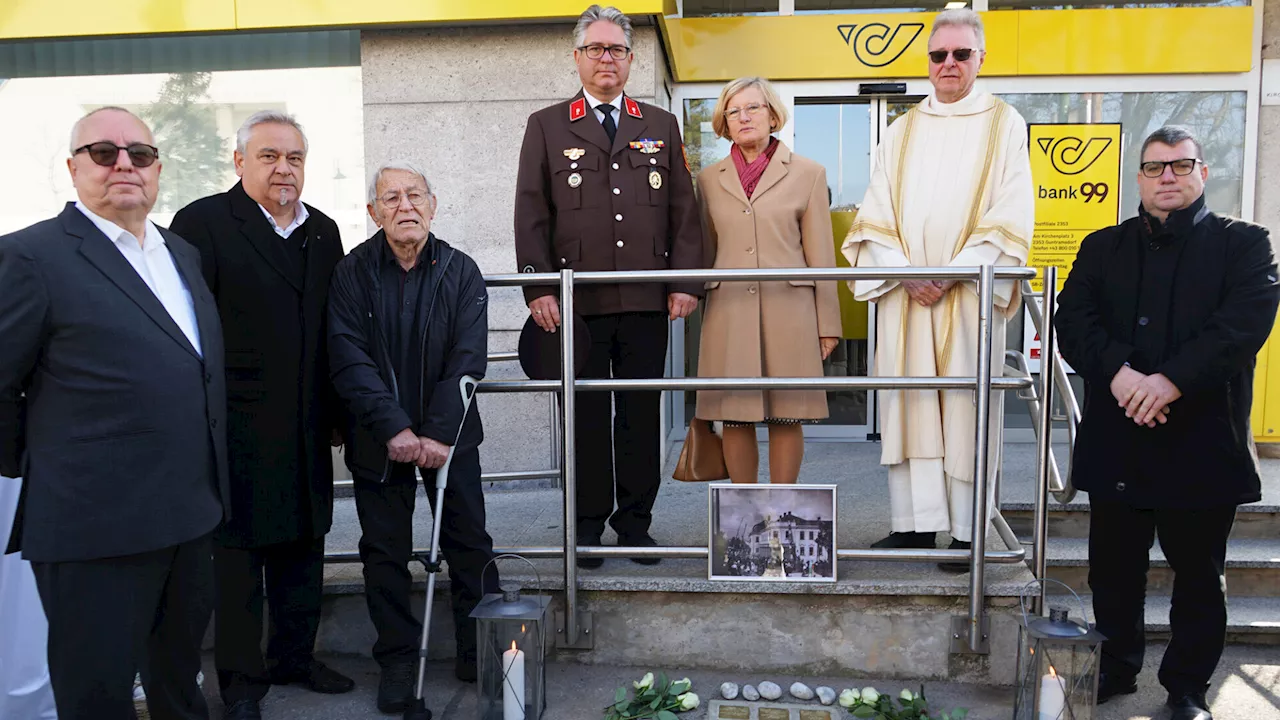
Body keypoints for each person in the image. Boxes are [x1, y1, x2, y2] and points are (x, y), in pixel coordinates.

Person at [0, 106, 230, 719]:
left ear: (158, 169)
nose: (125, 164)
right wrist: (54, 463)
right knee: (96, 696)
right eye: (104, 153)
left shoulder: (180, 252)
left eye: (141, 154)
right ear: (74, 168)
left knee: (181, 683)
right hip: (93, 529)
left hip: (188, 516)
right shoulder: (30, 257)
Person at [1055, 126, 1279, 720]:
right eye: (1155, 168)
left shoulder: (1246, 244)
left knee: (1200, 578)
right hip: (1118, 436)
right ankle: (1118, 669)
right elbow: (1072, 320)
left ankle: (1186, 688)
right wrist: (1122, 375)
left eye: (1181, 166)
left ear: (1203, 172)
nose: (1168, 177)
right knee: (1113, 572)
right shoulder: (1102, 246)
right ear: (1139, 179)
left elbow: (1242, 326)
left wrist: (1169, 381)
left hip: (1201, 440)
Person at [169, 111, 353, 720]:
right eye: (270, 156)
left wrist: (337, 412)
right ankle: (242, 684)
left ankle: (295, 657)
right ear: (239, 161)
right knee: (240, 559)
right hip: (235, 422)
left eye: (294, 158)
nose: (283, 169)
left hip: (306, 418)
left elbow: (336, 329)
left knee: (305, 543)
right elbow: (186, 327)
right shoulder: (201, 224)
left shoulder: (323, 231)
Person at [841, 8, 1033, 571]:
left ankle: (969, 532)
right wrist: (904, 270)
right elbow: (874, 213)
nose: (948, 64)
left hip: (969, 293)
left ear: (980, 59)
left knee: (963, 407)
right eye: (938, 55)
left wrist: (955, 271)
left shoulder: (1005, 123)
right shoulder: (901, 130)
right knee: (911, 405)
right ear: (927, 61)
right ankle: (914, 527)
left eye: (960, 54)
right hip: (907, 295)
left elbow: (1013, 209)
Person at [514, 4, 704, 568]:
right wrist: (538, 288)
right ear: (577, 57)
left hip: (648, 299)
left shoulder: (660, 124)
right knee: (588, 418)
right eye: (596, 49)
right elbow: (531, 213)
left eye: (616, 50)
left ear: (629, 59)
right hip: (579, 302)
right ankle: (589, 525)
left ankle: (636, 525)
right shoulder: (547, 125)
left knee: (641, 415)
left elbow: (682, 212)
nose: (606, 59)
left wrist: (685, 282)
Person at [327, 161, 497, 714]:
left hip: (450, 438)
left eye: (415, 195)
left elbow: (469, 357)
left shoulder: (461, 270)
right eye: (391, 198)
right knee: (383, 552)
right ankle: (398, 660)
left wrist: (439, 433)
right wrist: (393, 427)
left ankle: (479, 649)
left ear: (433, 205)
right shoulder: (351, 272)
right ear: (373, 211)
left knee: (469, 543)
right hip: (380, 440)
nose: (405, 206)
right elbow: (349, 358)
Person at [693, 76, 840, 484]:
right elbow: (703, 251)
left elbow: (821, 255)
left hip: (790, 312)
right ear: (724, 122)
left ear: (773, 115)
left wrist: (827, 324)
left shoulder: (809, 173)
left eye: (753, 107)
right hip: (729, 312)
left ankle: (782, 511)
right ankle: (745, 516)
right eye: (733, 111)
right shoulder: (708, 180)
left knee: (786, 413)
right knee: (735, 417)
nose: (743, 117)